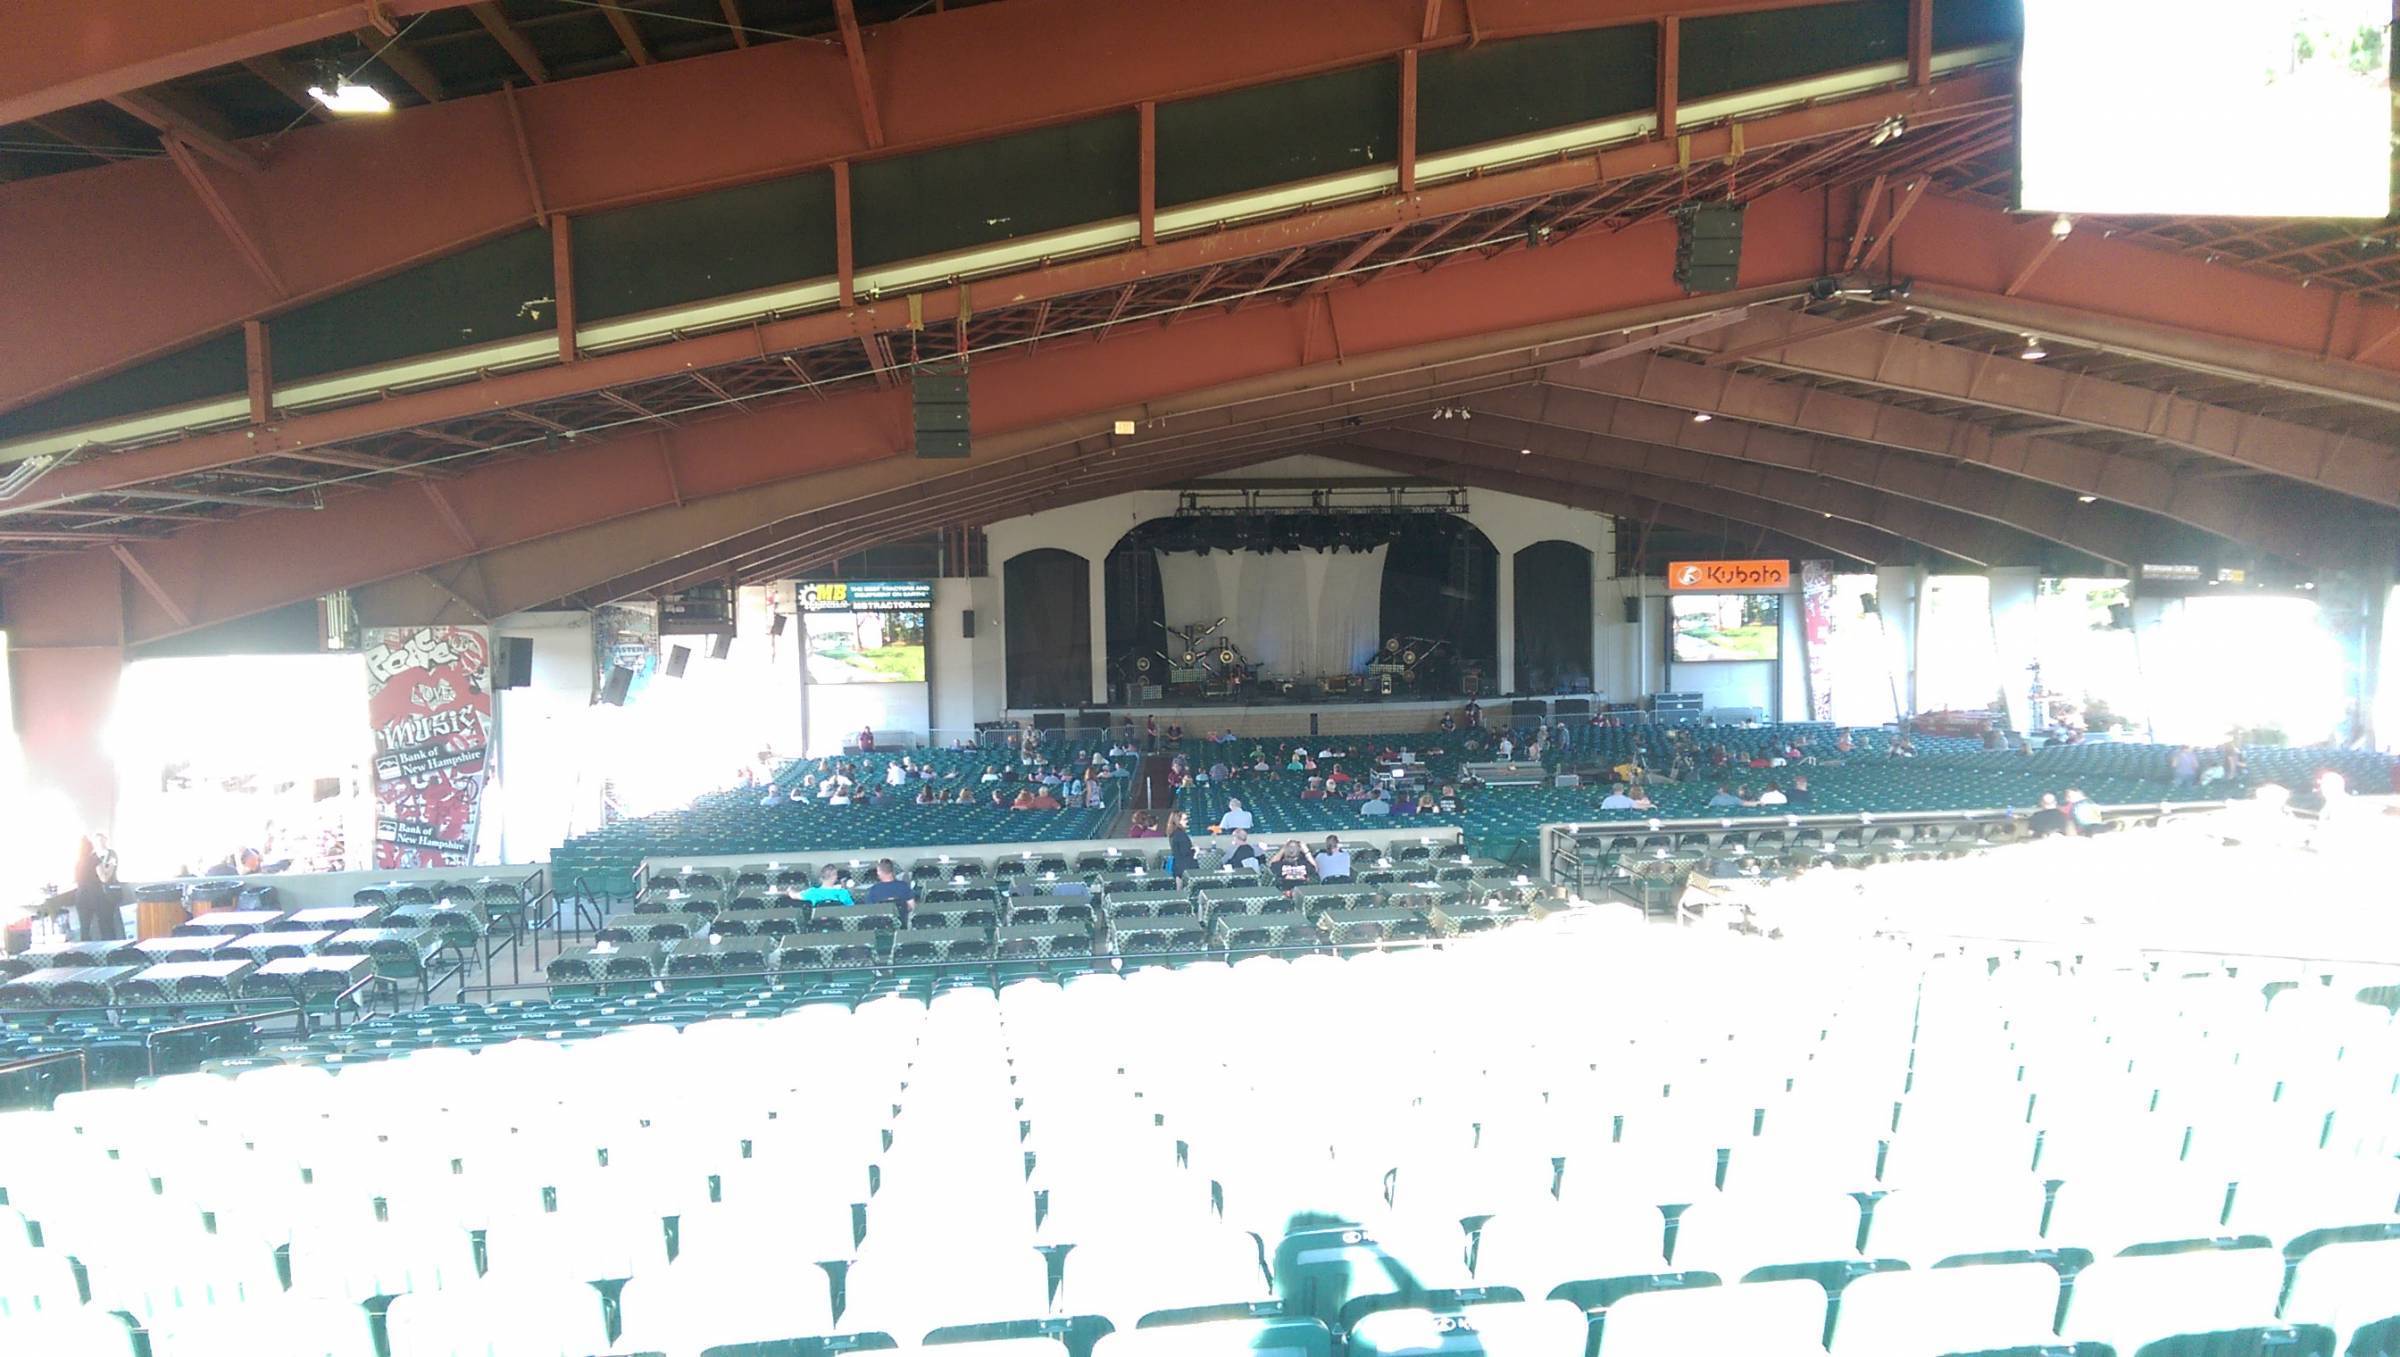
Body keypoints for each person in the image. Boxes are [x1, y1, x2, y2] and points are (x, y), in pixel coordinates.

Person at [1166, 811, 1195, 884]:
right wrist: (1195, 851)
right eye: (1185, 819)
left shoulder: (1173, 833)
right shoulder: (1181, 835)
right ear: (1178, 821)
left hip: (1178, 866)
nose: (1187, 821)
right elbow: (1185, 852)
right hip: (1185, 867)